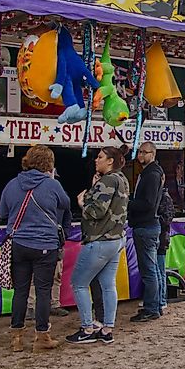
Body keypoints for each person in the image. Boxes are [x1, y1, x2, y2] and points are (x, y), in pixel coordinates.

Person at [0, 145, 71, 352]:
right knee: (43, 292)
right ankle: (42, 337)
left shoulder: (12, 185)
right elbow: (65, 204)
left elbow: (3, 212)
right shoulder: (51, 185)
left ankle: (16, 338)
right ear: (49, 164)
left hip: (19, 244)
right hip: (45, 246)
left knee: (20, 291)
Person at [66, 147, 129, 345]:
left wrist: (83, 201)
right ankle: (107, 328)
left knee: (79, 283)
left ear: (110, 161)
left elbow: (97, 211)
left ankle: (87, 328)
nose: (96, 160)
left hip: (100, 240)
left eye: (100, 157)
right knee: (108, 284)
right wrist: (95, 188)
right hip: (116, 240)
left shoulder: (108, 181)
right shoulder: (122, 180)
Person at [128, 141, 164, 322]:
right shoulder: (150, 173)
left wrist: (127, 203)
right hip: (147, 225)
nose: (140, 155)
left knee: (149, 270)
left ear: (153, 154)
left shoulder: (152, 174)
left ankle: (152, 308)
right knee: (153, 269)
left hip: (146, 225)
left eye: (144, 152)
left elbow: (148, 203)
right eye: (139, 152)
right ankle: (155, 304)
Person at [157, 181, 175, 315]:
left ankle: (162, 300)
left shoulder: (165, 198)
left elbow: (167, 219)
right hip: (160, 237)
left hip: (162, 238)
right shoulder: (160, 196)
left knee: (160, 270)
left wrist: (154, 218)